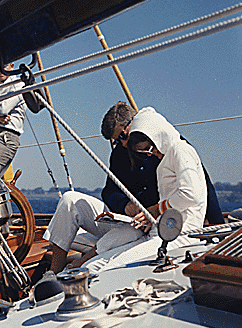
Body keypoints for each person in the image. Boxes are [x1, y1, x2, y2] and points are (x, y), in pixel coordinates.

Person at [82, 107, 209, 272]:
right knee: (93, 265)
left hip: (180, 235)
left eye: (151, 148)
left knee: (109, 268)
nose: (151, 154)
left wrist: (155, 210)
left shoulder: (180, 151)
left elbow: (190, 195)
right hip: (160, 232)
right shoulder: (166, 157)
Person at [44, 102, 160, 273]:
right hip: (126, 219)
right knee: (70, 199)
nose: (122, 143)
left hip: (150, 223)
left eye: (122, 136)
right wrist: (125, 206)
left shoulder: (160, 147)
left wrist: (214, 220)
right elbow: (109, 191)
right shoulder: (120, 153)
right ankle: (54, 271)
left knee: (120, 238)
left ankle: (80, 262)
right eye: (116, 140)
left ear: (134, 121)